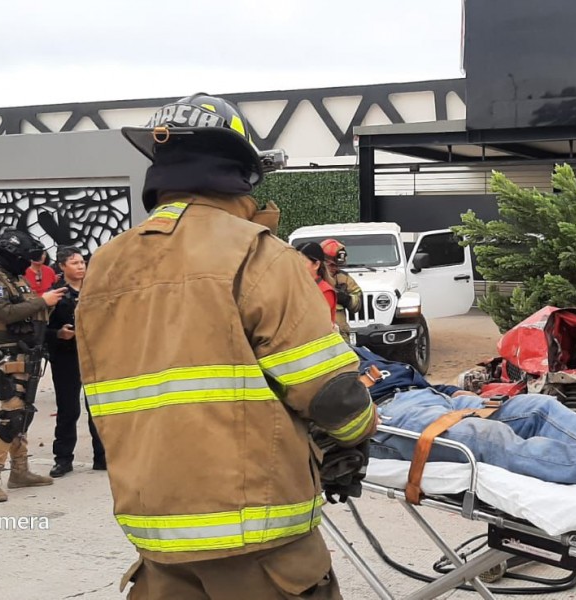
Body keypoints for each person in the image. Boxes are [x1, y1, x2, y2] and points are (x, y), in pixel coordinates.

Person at [76, 93, 377, 600]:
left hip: (157, 543)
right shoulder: (257, 253)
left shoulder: (105, 266)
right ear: (243, 173)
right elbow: (329, 395)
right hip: (258, 547)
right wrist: (362, 430)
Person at [357, 346, 576, 490]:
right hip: (389, 412)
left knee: (539, 407)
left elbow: (406, 376)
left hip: (435, 397)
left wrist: (449, 390)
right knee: (487, 437)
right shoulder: (319, 359)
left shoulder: (353, 348)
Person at [0, 229, 66, 502]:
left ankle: (20, 471)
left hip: (27, 352)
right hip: (6, 355)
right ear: (12, 256)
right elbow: (6, 313)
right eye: (26, 258)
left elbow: (29, 312)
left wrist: (51, 311)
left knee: (24, 413)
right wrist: (42, 301)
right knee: (10, 415)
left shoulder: (14, 278)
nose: (30, 264)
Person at [46, 246, 105, 477]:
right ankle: (63, 459)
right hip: (66, 357)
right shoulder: (55, 296)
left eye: (82, 262)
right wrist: (59, 333)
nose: (81, 267)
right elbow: (40, 331)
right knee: (68, 409)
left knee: (98, 408)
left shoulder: (96, 290)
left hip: (94, 355)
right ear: (62, 267)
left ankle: (102, 457)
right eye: (75, 263)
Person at [321, 239, 362, 346]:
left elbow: (358, 303)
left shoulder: (344, 278)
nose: (335, 269)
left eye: (338, 266)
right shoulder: (313, 278)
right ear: (321, 262)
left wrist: (347, 299)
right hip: (320, 335)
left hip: (342, 336)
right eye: (331, 265)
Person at [297, 241, 336, 324]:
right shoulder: (296, 287)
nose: (297, 266)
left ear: (316, 265)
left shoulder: (325, 292)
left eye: (301, 262)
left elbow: (317, 324)